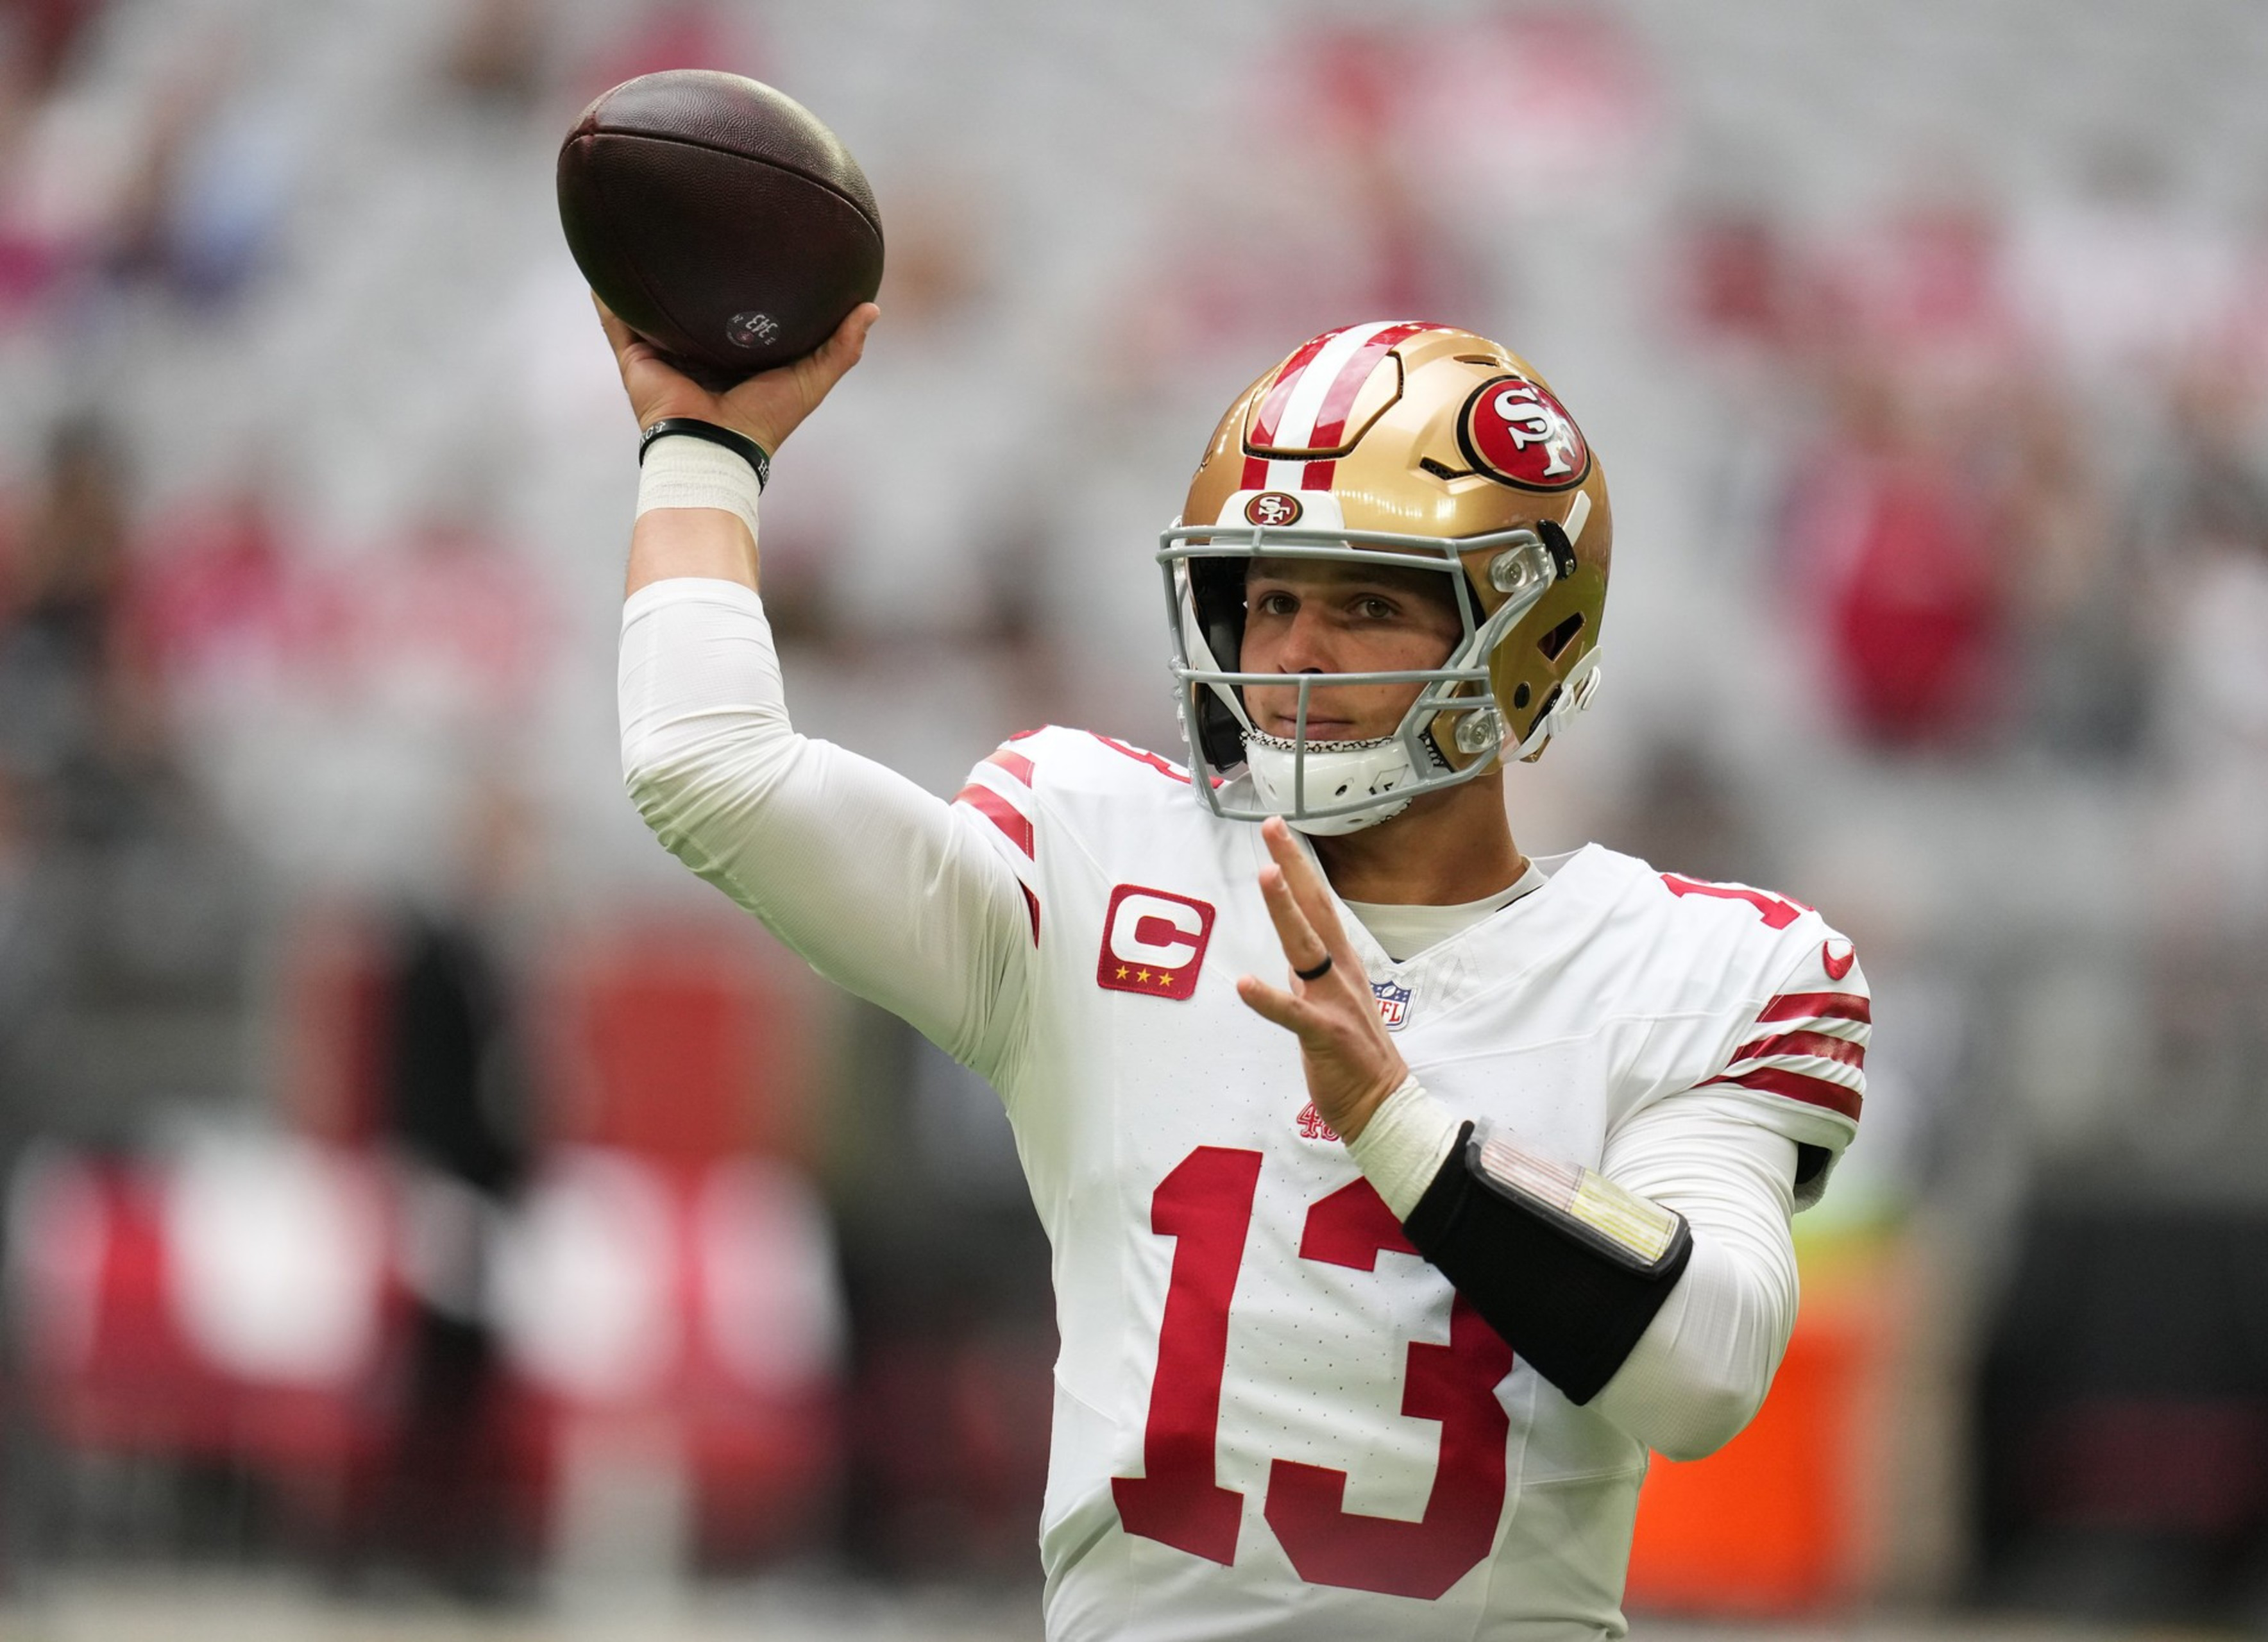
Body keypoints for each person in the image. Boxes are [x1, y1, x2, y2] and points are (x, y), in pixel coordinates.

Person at [604, 301, 1867, 1639]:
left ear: (1526, 639)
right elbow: (707, 768)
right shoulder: (1095, 855)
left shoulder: (1698, 966)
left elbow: (1702, 1371)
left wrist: (1402, 1126)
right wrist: (698, 448)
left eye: (1366, 603)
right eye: (1266, 598)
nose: (1289, 659)